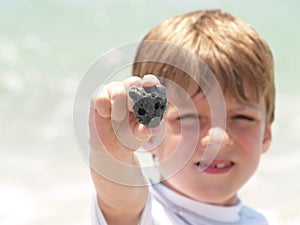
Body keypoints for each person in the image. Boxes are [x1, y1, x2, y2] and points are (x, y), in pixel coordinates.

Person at [89, 9, 275, 225]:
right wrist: (112, 155)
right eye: (189, 119)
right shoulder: (146, 214)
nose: (218, 138)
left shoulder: (263, 221)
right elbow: (120, 203)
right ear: (150, 135)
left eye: (242, 117)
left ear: (266, 134)